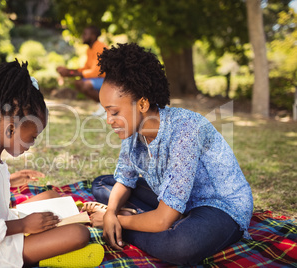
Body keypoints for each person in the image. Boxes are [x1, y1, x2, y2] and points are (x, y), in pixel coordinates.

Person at [85, 43, 254, 266]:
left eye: (114, 111)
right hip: (171, 200)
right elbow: (124, 180)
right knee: (101, 184)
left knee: (180, 246)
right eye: (106, 111)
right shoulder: (134, 131)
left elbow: (163, 220)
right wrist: (110, 212)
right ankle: (144, 219)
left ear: (143, 103)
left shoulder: (185, 129)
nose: (108, 120)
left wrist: (116, 220)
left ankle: (129, 225)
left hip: (218, 206)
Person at [0, 60, 104, 268]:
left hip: (0, 225)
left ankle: (44, 242)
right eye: (32, 137)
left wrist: (10, 179)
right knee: (79, 233)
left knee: (52, 196)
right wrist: (23, 225)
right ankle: (49, 256)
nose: (32, 144)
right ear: (11, 129)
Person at [56, 25, 107, 116]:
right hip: (99, 79)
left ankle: (108, 108)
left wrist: (70, 74)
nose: (83, 36)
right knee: (78, 83)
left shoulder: (100, 47)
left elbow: (96, 72)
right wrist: (68, 71)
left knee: (85, 85)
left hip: (108, 80)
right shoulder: (90, 49)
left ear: (93, 36)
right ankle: (103, 106)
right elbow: (86, 69)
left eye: (85, 34)